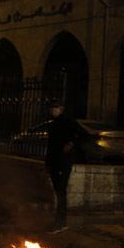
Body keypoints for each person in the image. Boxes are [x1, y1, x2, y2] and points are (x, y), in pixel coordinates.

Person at [44, 98, 89, 234]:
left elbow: (84, 135)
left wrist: (71, 143)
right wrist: (47, 163)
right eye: (51, 107)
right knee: (58, 191)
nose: (53, 109)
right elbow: (50, 146)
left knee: (61, 191)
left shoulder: (68, 122)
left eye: (56, 107)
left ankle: (61, 222)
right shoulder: (52, 124)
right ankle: (59, 221)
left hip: (63, 162)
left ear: (61, 108)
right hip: (53, 162)